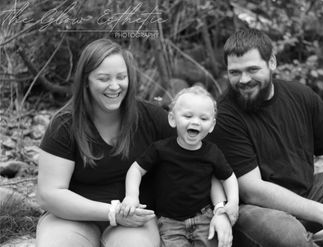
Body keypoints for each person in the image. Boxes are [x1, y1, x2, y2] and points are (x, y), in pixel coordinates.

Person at [36, 39, 232, 247]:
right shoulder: (65, 125)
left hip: (135, 221)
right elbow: (49, 194)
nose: (114, 86)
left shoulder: (149, 117)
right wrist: (113, 212)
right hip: (72, 217)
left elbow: (205, 158)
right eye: (103, 78)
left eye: (121, 77)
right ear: (86, 80)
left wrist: (220, 209)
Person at [209, 29, 323, 247]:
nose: (244, 80)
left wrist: (321, 212)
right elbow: (252, 190)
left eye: (252, 69)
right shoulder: (225, 115)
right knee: (288, 232)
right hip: (252, 212)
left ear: (272, 63)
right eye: (235, 72)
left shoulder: (299, 96)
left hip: (306, 196)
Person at [121, 85, 239, 247]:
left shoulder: (212, 152)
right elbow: (136, 170)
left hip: (204, 217)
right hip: (170, 222)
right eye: (188, 116)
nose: (195, 122)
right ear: (172, 119)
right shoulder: (160, 149)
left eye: (203, 119)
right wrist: (132, 196)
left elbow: (228, 177)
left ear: (211, 125)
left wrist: (232, 202)